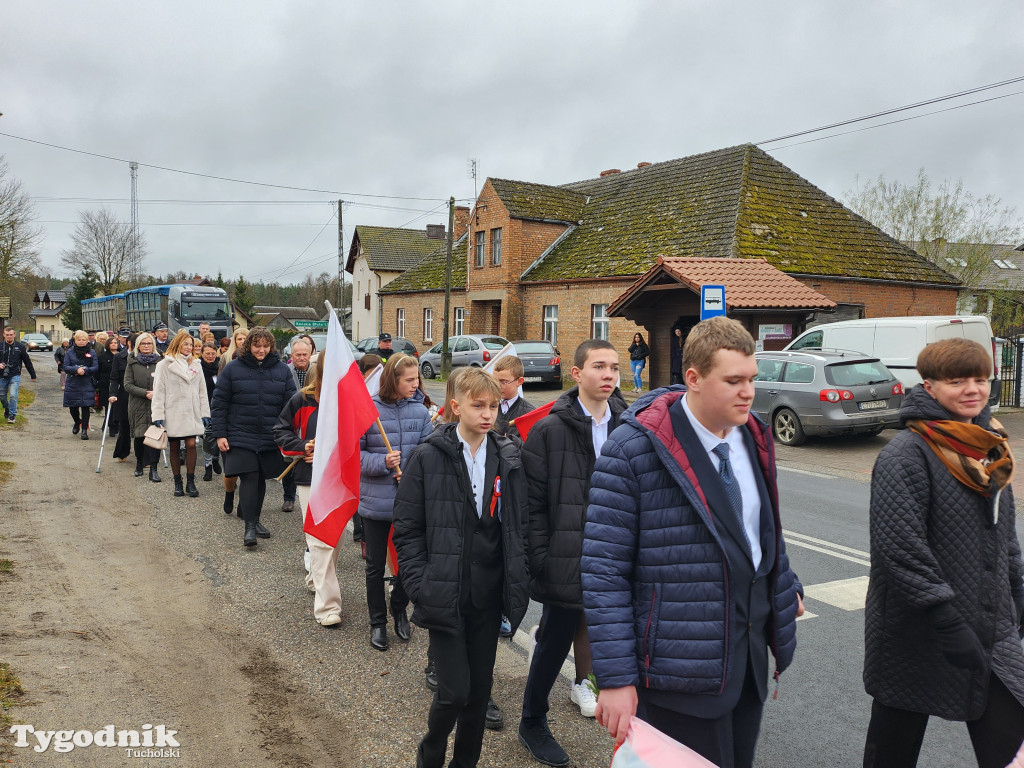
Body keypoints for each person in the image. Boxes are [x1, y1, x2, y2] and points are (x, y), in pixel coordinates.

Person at [582, 316, 804, 768]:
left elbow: (760, 533)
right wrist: (617, 679)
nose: (749, 392)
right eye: (734, 380)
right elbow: (604, 571)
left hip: (745, 667)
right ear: (694, 379)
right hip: (676, 676)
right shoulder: (633, 450)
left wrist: (786, 583)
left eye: (753, 379)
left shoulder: (754, 436)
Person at [862, 337, 1024, 768]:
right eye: (958, 381)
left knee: (1012, 742)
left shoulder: (990, 447)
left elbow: (1003, 534)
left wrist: (1018, 591)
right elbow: (899, 548)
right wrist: (945, 619)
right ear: (929, 386)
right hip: (917, 629)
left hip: (991, 625)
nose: (973, 389)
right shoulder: (905, 454)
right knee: (894, 747)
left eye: (981, 378)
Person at [393, 367, 530, 768]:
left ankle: (464, 762)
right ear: (456, 406)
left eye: (492, 407)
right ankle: (430, 753)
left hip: (488, 594)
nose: (488, 415)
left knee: (478, 691)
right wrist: (419, 584)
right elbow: (408, 528)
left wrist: (518, 575)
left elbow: (519, 523)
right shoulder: (427, 457)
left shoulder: (507, 456)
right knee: (454, 690)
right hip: (445, 591)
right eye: (478, 406)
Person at [516, 339, 627, 766]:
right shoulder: (550, 430)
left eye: (614, 368)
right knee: (555, 638)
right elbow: (533, 505)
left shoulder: (628, 423)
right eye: (599, 366)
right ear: (577, 373)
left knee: (622, 637)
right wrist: (542, 558)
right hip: (566, 556)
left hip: (616, 555)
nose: (608, 375)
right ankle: (532, 720)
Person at [358, 352, 432, 651]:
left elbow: (430, 454)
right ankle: (377, 623)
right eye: (409, 380)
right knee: (375, 566)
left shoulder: (421, 412)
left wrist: (413, 474)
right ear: (393, 379)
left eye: (417, 379)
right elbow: (356, 457)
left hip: (411, 501)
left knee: (411, 564)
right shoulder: (369, 411)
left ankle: (399, 606)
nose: (416, 384)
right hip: (376, 501)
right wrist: (383, 462)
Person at [274, 351, 344, 627]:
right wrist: (303, 447)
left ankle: (316, 576)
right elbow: (280, 431)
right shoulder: (301, 399)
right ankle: (328, 607)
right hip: (309, 478)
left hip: (340, 479)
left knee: (334, 540)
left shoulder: (350, 402)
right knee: (320, 539)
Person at [211, 327, 296, 547]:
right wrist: (220, 434)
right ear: (248, 345)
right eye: (257, 345)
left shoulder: (282, 370)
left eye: (266, 346)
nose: (261, 350)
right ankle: (249, 527)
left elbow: (290, 406)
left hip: (270, 434)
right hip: (240, 433)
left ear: (271, 346)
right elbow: (219, 404)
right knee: (248, 476)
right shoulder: (232, 369)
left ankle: (256, 520)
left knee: (260, 478)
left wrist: (288, 433)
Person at [152, 330, 210, 499]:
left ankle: (190, 482)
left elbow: (202, 391)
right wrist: (157, 415)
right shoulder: (164, 364)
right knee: (175, 447)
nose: (189, 347)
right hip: (173, 411)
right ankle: (178, 482)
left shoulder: (196, 364)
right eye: (185, 344)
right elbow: (159, 391)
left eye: (191, 345)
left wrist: (205, 412)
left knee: (191, 445)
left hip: (191, 412)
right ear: (177, 343)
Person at [124, 333, 163, 481]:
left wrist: (156, 393)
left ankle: (153, 468)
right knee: (140, 436)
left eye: (149, 343)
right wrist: (145, 393)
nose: (146, 346)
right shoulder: (132, 362)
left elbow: (166, 382)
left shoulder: (161, 362)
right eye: (143, 343)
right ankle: (139, 464)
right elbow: (127, 384)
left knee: (156, 437)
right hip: (138, 404)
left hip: (156, 405)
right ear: (138, 346)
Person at [281, 338, 314, 514]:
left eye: (305, 354)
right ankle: (288, 497)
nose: (301, 358)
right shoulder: (285, 372)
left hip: (309, 420)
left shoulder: (316, 372)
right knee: (290, 459)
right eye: (298, 355)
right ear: (291, 356)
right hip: (293, 418)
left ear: (310, 355)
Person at [62, 330, 98, 440]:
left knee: (86, 406)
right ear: (75, 340)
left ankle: (84, 431)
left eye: (83, 340)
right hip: (73, 382)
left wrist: (85, 370)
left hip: (87, 382)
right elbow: (66, 367)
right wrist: (76, 369)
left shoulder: (92, 352)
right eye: (79, 340)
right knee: (73, 407)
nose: (81, 342)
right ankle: (77, 422)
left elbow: (95, 367)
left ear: (87, 341)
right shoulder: (70, 352)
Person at [0, 327, 37, 424]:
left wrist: (32, 374)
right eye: (7, 335)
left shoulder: (20, 347)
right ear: (4, 335)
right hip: (2, 376)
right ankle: (7, 408)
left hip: (14, 375)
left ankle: (12, 415)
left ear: (14, 335)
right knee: (2, 396)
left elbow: (27, 361)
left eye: (11, 335)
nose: (9, 337)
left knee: (13, 395)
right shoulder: (0, 346)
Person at [493, 355, 534, 440]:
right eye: (494, 381)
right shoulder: (487, 407)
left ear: (519, 381)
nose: (498, 386)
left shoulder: (529, 414)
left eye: (504, 382)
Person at [198, 342, 222, 481]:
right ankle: (208, 467)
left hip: (218, 408)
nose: (210, 356)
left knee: (218, 435)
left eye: (213, 353)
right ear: (202, 354)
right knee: (207, 438)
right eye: (207, 353)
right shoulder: (197, 368)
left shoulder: (220, 367)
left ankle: (215, 459)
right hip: (204, 408)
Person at [109, 333, 134, 461]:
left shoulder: (145, 357)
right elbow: (114, 378)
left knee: (143, 427)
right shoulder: (119, 357)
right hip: (124, 394)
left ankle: (146, 457)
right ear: (129, 343)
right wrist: (112, 394)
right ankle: (122, 452)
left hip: (141, 394)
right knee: (124, 426)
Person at [95, 334, 118, 427]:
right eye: (111, 343)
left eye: (115, 343)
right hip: (105, 384)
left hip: (117, 384)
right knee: (107, 406)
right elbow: (98, 371)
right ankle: (108, 424)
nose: (113, 344)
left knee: (117, 406)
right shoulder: (102, 357)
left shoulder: (120, 355)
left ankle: (114, 425)